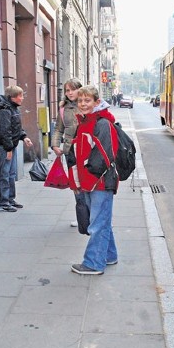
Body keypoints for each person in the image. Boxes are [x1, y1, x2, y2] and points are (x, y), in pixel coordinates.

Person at [68, 85, 119, 275]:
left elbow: (104, 157)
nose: (82, 104)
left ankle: (93, 263)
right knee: (101, 220)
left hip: (100, 183)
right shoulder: (85, 121)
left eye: (87, 100)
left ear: (97, 102)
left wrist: (87, 179)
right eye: (80, 100)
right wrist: (76, 181)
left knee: (97, 223)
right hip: (91, 181)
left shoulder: (102, 123)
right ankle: (109, 255)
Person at [0, 85, 33, 212]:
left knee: (11, 173)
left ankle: (9, 199)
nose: (22, 98)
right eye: (20, 96)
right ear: (12, 97)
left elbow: (16, 128)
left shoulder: (12, 108)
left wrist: (24, 137)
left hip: (10, 146)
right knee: (4, 174)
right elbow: (4, 131)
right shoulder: (4, 110)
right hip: (3, 147)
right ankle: (3, 203)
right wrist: (8, 149)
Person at [52, 78, 83, 227]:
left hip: (87, 151)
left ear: (79, 89)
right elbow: (59, 129)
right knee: (75, 185)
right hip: (70, 151)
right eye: (67, 90)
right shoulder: (64, 109)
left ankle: (90, 213)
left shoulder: (86, 105)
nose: (70, 93)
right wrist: (55, 145)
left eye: (73, 89)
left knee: (88, 183)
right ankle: (82, 216)